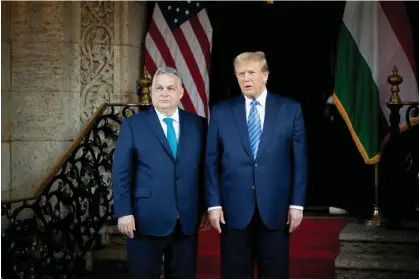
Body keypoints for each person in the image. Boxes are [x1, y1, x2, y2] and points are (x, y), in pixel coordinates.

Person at [205, 51, 308, 279]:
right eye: (240, 74)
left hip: (275, 210)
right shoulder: (221, 112)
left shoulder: (290, 109)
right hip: (233, 212)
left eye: (251, 72)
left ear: (266, 75)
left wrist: (297, 204)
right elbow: (211, 162)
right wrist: (213, 204)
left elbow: (299, 161)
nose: (246, 78)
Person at [112, 66, 210, 279]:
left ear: (181, 92)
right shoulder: (133, 125)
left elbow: (205, 170)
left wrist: (204, 207)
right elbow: (121, 171)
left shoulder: (198, 125)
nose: (164, 93)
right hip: (144, 218)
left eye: (170, 88)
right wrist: (123, 211)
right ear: (152, 92)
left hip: (186, 220)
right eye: (159, 88)